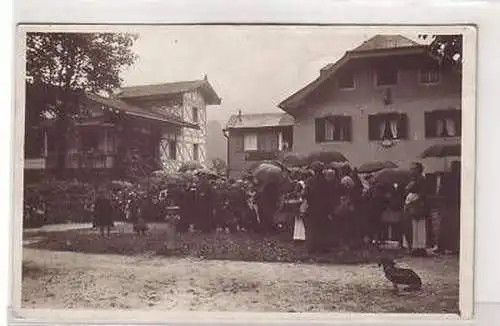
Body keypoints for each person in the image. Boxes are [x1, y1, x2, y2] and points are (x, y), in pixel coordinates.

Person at [303, 161, 330, 253]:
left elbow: (306, 194)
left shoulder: (310, 181)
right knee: (322, 228)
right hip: (323, 208)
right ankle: (321, 247)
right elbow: (329, 195)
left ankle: (311, 247)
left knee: (311, 228)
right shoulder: (326, 181)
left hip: (312, 207)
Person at [404, 162, 429, 257]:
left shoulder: (422, 180)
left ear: (418, 170)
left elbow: (423, 193)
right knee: (412, 227)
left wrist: (414, 201)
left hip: (418, 205)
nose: (411, 171)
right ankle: (414, 246)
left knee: (419, 227)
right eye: (411, 169)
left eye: (413, 169)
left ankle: (420, 247)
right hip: (411, 204)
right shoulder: (412, 180)